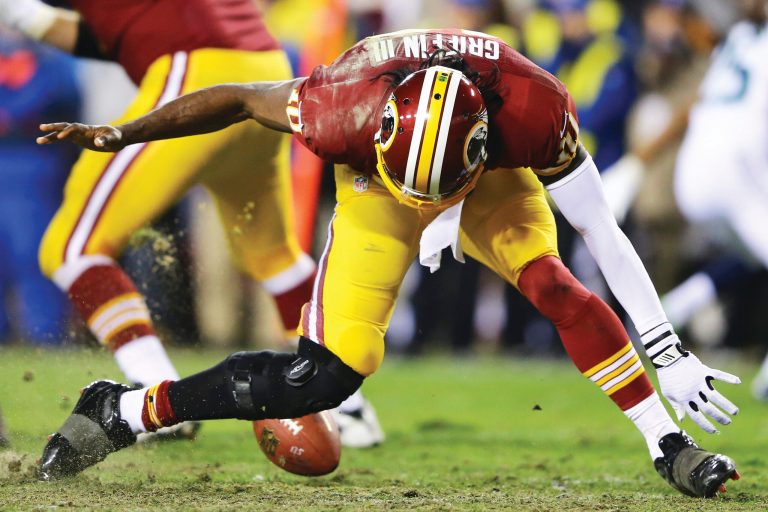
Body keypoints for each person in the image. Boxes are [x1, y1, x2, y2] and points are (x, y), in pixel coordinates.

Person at [34, 28, 741, 498]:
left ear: (487, 136)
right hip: (378, 183)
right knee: (315, 381)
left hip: (486, 181)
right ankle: (125, 408)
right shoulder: (342, 104)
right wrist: (124, 131)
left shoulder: (533, 109)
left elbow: (603, 234)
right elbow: (238, 100)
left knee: (555, 282)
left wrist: (666, 351)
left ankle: (665, 441)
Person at [0, 0, 382, 444]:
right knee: (271, 254)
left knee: (71, 247)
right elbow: (116, 35)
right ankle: (350, 408)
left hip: (196, 70)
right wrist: (21, 14)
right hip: (263, 72)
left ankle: (154, 392)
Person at [660, 0, 768, 398]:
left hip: (694, 171)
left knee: (753, 254)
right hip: (739, 169)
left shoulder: (737, 39)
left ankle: (679, 304)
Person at [0, 29, 79, 346]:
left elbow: (63, 95)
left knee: (32, 253)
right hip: (11, 158)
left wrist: (10, 115)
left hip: (32, 160)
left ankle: (46, 337)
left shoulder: (49, 59)